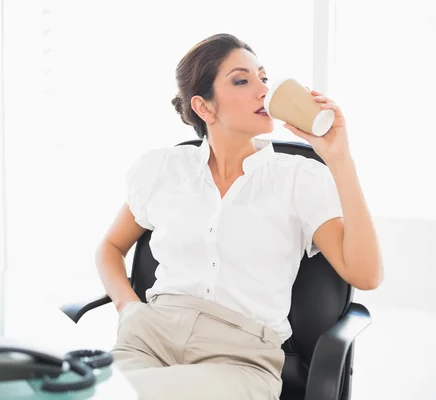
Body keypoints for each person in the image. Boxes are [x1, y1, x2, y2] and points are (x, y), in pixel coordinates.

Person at [95, 33, 383, 399]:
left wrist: (339, 157)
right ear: (204, 107)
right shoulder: (164, 169)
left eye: (263, 77)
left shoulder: (298, 178)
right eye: (242, 80)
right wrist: (128, 308)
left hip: (239, 360)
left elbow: (366, 274)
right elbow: (109, 246)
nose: (264, 90)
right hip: (148, 341)